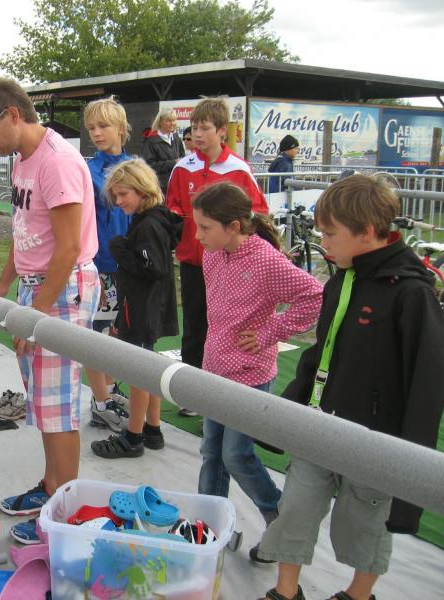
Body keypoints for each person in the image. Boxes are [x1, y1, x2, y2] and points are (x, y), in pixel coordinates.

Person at [255, 174, 444, 600]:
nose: (323, 243)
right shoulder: (343, 277)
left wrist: (411, 469)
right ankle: (285, 590)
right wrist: (286, 412)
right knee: (296, 507)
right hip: (320, 423)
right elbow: (322, 351)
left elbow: (427, 387)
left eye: (330, 233)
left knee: (365, 524)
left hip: (375, 440)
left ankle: (358, 594)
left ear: (368, 232)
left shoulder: (412, 294)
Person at [0, 76, 100, 545]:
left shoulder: (57, 161)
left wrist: (36, 316)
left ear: (12, 114)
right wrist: (3, 285)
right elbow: (25, 233)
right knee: (43, 404)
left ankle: (67, 514)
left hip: (61, 291)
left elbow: (67, 248)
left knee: (59, 408)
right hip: (35, 289)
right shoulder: (24, 159)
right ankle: (51, 489)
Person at [191, 181, 322, 549]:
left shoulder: (266, 260)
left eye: (205, 227)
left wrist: (271, 331)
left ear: (234, 226)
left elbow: (314, 295)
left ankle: (280, 520)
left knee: (235, 454)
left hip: (250, 375)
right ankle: (209, 528)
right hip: (215, 370)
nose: (198, 235)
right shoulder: (213, 255)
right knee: (212, 452)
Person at [166, 97, 269, 400]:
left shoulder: (239, 169)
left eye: (205, 128)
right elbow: (171, 209)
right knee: (194, 326)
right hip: (193, 263)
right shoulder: (182, 168)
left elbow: (259, 214)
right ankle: (191, 395)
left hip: (230, 266)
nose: (197, 134)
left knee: (225, 327)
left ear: (223, 130)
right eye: (194, 128)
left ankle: (225, 393)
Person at [90, 158, 180, 459]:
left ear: (142, 189)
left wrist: (120, 250)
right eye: (115, 196)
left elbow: (152, 268)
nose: (118, 201)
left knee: (138, 372)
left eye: (123, 194)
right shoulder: (151, 220)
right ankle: (153, 428)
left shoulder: (148, 225)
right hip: (145, 306)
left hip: (142, 308)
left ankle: (134, 435)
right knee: (148, 367)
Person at [82, 97, 132, 434]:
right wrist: (91, 267)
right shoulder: (88, 171)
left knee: (117, 334)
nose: (97, 133)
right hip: (99, 267)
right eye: (91, 128)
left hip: (129, 268)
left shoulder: (135, 166)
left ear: (121, 128)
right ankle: (99, 404)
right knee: (96, 336)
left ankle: (110, 391)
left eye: (103, 126)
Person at [140, 108, 184, 195]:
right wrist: (173, 163)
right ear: (160, 121)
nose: (173, 123)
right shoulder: (151, 141)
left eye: (174, 120)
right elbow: (148, 165)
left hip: (176, 185)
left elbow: (183, 158)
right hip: (158, 187)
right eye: (169, 121)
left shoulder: (176, 138)